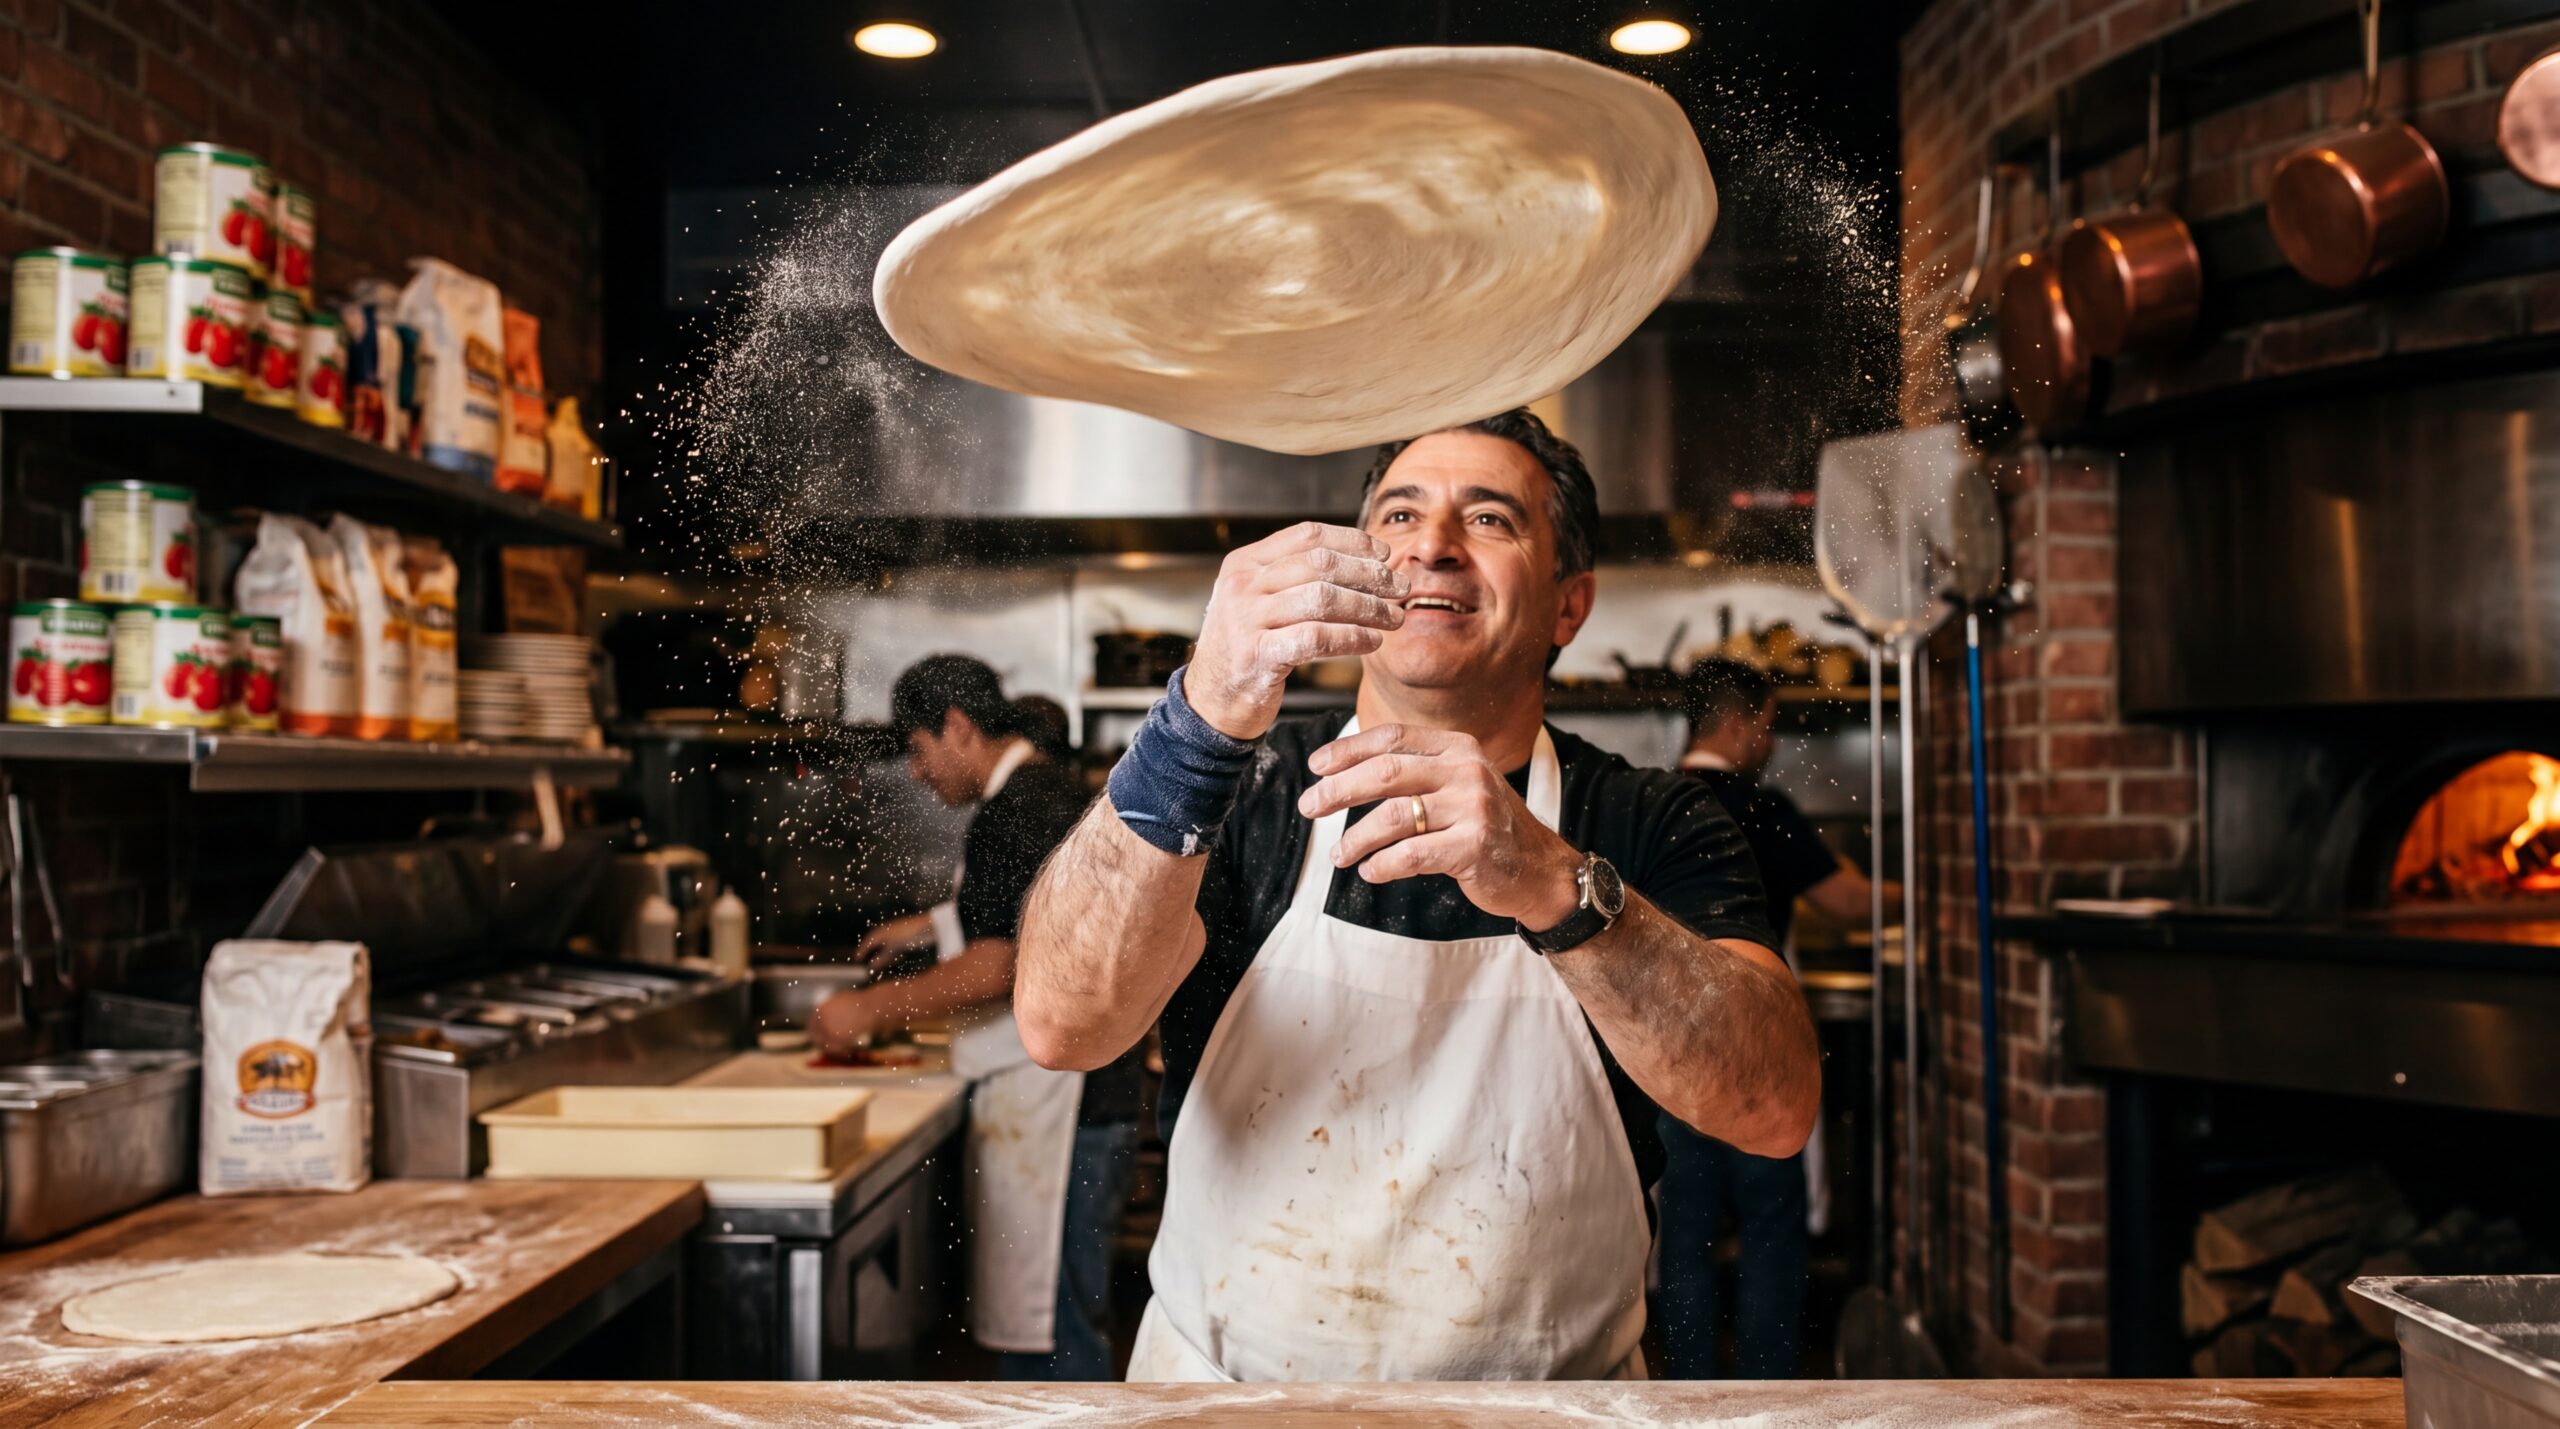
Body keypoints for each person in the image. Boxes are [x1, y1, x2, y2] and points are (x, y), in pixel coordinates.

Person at [1012, 409, 1822, 1383]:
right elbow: (1062, 1024)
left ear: (1569, 604)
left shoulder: (1650, 821)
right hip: (1229, 1404)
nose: (1431, 545)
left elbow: (1773, 1106)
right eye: (1398, 516)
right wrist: (1198, 718)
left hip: (1548, 1413)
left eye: (1488, 519)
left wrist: (1552, 883)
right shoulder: (1242, 789)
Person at [811, 655, 1142, 1380]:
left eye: (919, 748)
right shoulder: (1044, 789)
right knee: (1056, 1320)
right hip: (1083, 1094)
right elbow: (1025, 907)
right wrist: (928, 926)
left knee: (1052, 1334)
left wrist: (867, 1008)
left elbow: (999, 963)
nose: (917, 772)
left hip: (1065, 1107)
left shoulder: (1014, 809)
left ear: (957, 727)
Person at [1648, 656, 1881, 1379]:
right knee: (1771, 1227)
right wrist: (1928, 890)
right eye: (1768, 725)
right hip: (1758, 1049)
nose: (1770, 742)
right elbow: (1849, 902)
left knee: (1684, 1231)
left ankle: (1686, 1394)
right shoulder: (1760, 808)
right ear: (1742, 722)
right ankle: (1767, 1392)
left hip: (1668, 1052)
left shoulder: (1651, 801)